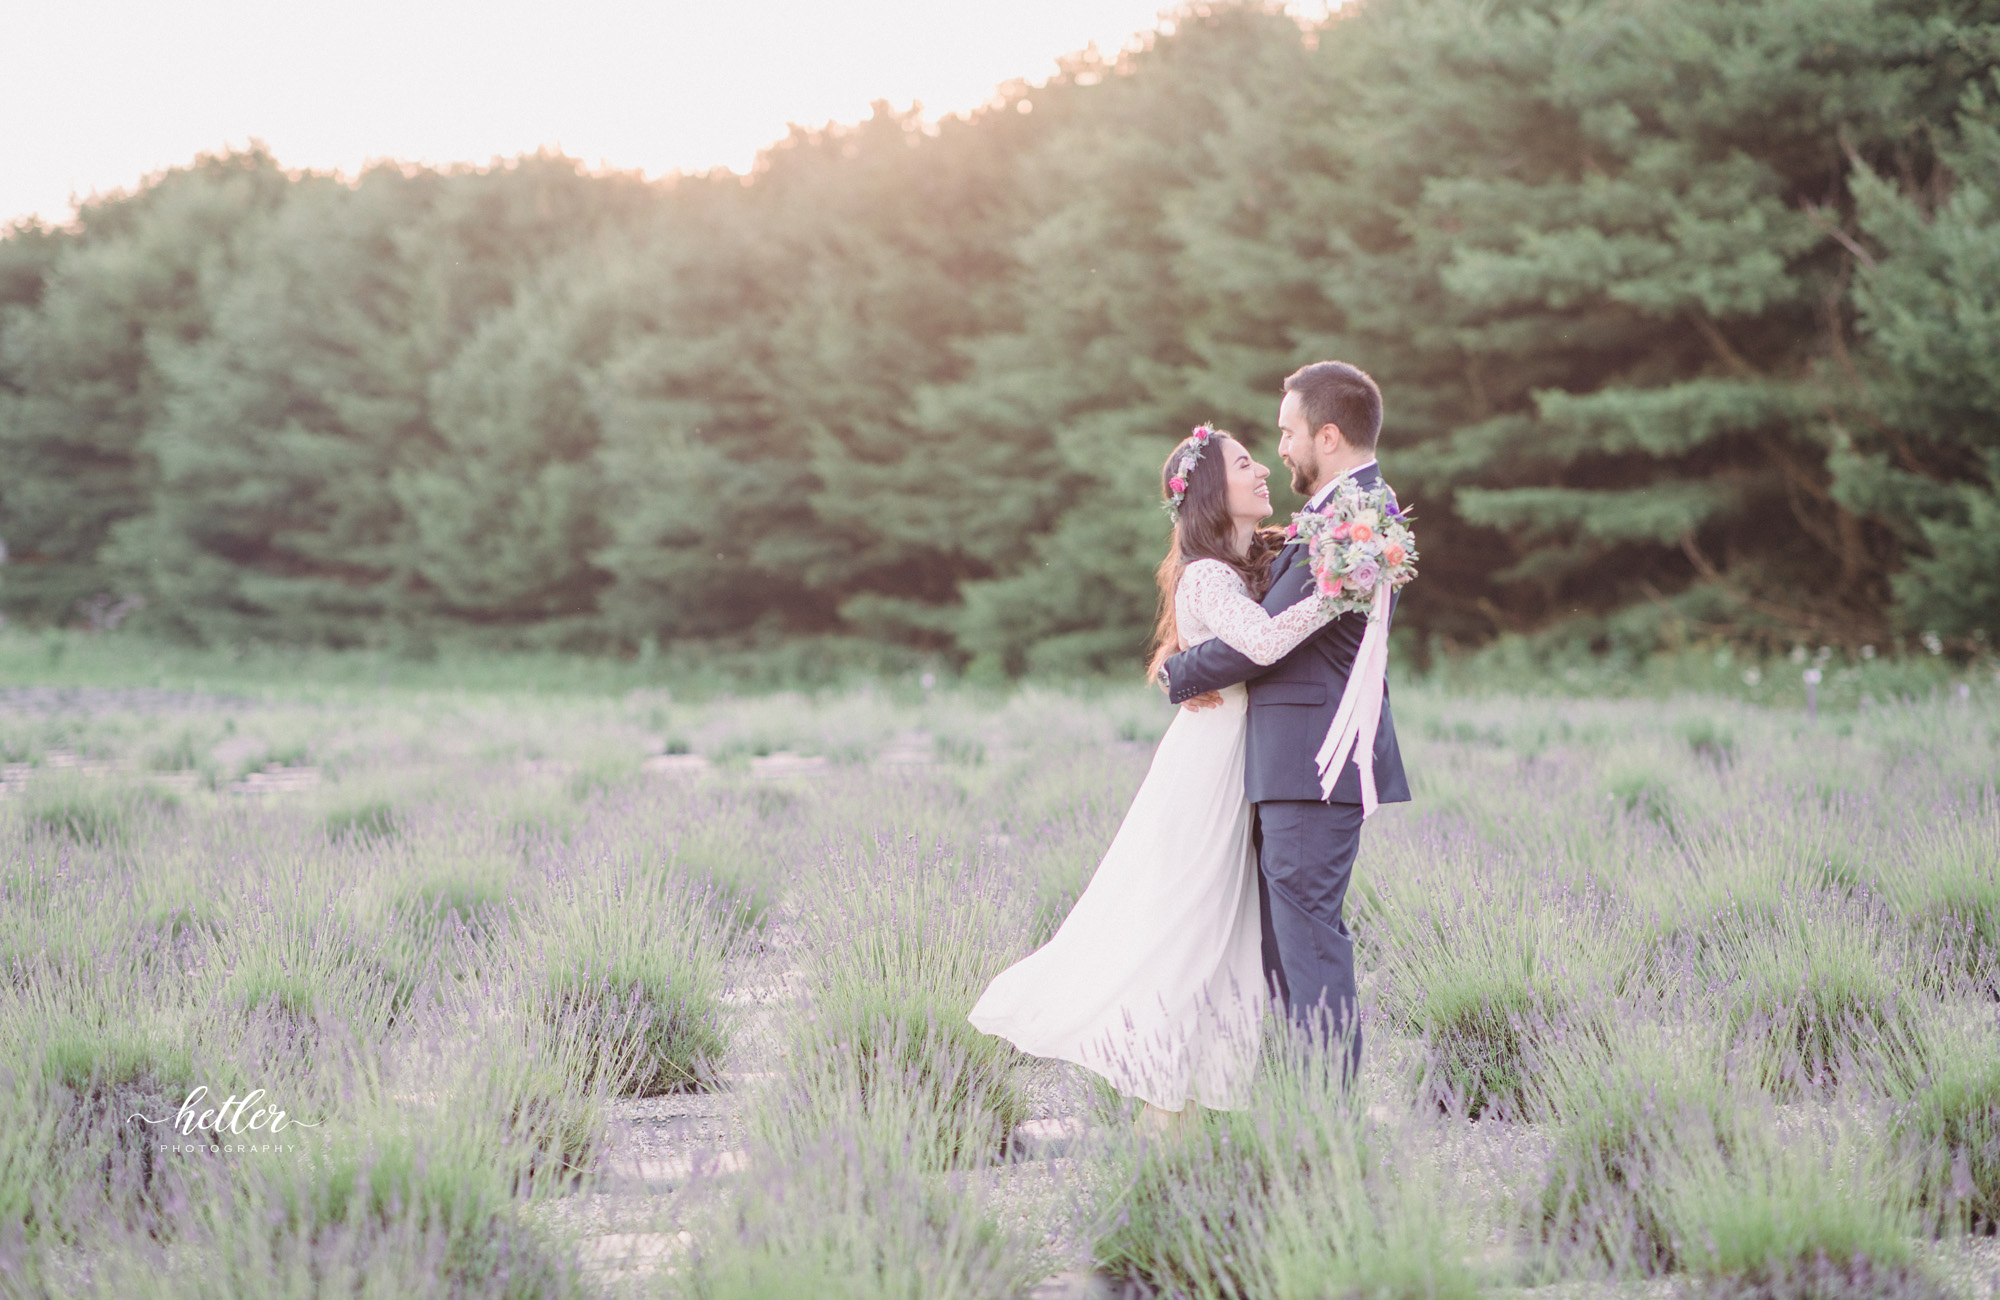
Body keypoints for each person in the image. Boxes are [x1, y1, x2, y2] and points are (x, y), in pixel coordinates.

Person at [968, 422, 1339, 1129]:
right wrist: (1336, 597)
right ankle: (1161, 1125)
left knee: (1224, 938)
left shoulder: (1248, 559)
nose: (1263, 469)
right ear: (1209, 491)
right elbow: (1260, 642)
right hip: (1209, 768)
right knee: (1191, 928)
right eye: (1242, 463)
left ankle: (1182, 1123)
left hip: (1236, 758)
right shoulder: (1206, 574)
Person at [1162, 361, 1410, 1083]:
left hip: (1312, 760)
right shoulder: (1345, 511)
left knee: (1306, 946)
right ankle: (1302, 1105)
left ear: (1326, 435)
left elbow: (1263, 637)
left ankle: (1326, 1118)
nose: (1282, 449)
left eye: (1288, 432)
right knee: (1286, 948)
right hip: (1293, 758)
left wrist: (1180, 672)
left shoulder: (1356, 516)